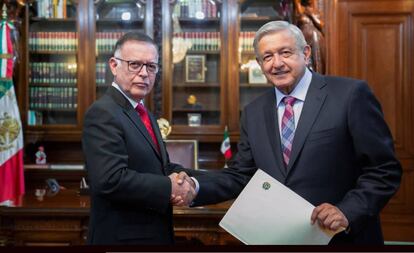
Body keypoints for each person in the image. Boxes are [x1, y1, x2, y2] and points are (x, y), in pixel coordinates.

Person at [190, 21, 402, 244]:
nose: (277, 63)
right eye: (268, 57)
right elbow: (241, 175)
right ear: (260, 64)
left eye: (285, 52)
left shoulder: (349, 95)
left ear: (306, 53)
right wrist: (194, 187)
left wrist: (347, 211)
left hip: (342, 239)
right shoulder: (253, 113)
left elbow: (384, 169)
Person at [82, 32, 198, 245]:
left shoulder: (143, 112)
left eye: (151, 66)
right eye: (135, 64)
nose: (144, 73)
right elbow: (111, 180)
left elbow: (161, 167)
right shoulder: (103, 112)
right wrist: (169, 186)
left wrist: (190, 180)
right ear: (114, 66)